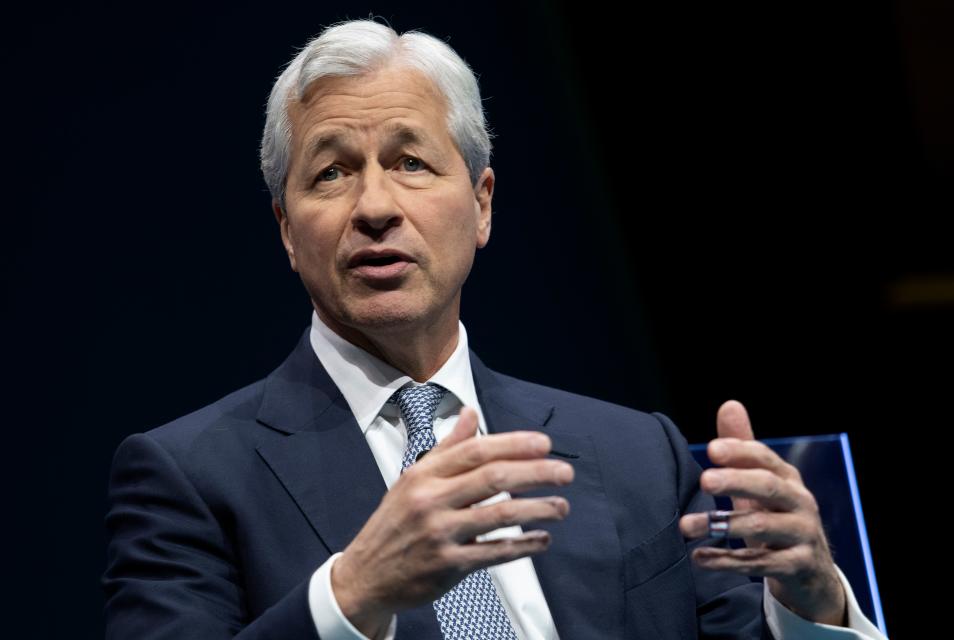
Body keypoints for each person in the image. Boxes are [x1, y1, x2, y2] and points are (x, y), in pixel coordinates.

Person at [102, 18, 888, 640]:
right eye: (331, 172)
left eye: (411, 161)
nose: (374, 206)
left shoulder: (636, 454)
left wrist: (813, 603)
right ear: (284, 227)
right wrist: (353, 595)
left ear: (481, 204)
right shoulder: (190, 478)